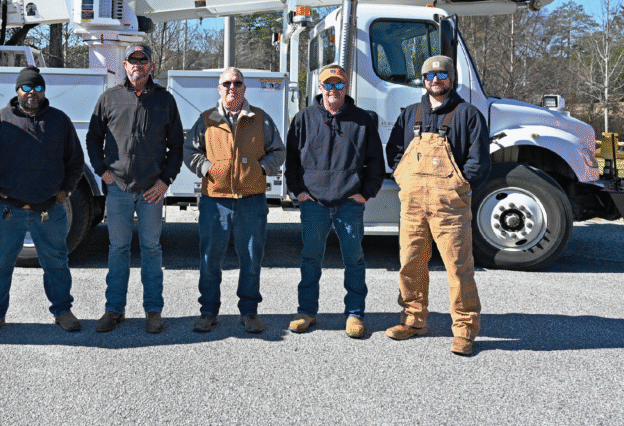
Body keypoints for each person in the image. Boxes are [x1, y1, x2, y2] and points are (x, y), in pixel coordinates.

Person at [384, 55, 490, 356]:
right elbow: (394, 151)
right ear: (423, 80)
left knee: (458, 268)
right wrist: (403, 176)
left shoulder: (468, 114)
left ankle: (465, 330)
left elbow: (479, 161)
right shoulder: (411, 113)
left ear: (451, 78)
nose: (435, 81)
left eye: (441, 75)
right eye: (429, 76)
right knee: (410, 264)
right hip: (413, 203)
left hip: (450, 204)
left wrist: (459, 186)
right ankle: (414, 321)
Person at [0, 67, 85, 337]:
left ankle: (62, 311)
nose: (32, 93)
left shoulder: (59, 121)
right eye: (26, 88)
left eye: (37, 88)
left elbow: (75, 162)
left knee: (56, 262)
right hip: (7, 210)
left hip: (49, 210)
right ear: (17, 91)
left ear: (44, 91)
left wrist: (65, 191)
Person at [86, 44, 183, 334]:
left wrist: (165, 181)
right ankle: (114, 309)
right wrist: (102, 170)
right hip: (118, 190)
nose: (138, 65)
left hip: (151, 191)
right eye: (132, 60)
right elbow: (93, 138)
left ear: (151, 66)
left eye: (143, 60)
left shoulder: (165, 100)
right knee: (118, 249)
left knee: (152, 249)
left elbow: (176, 146)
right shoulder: (109, 99)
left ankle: (153, 311)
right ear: (125, 66)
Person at [285, 64, 385, 337]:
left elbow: (377, 163)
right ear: (320, 88)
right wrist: (298, 191)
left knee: (354, 260)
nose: (333, 90)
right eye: (328, 85)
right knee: (310, 259)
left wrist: (365, 192)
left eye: (339, 84)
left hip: (349, 204)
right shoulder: (304, 118)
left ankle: (354, 314)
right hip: (313, 203)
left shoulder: (362, 121)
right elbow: (291, 159)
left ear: (347, 87)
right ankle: (306, 311)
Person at [184, 67, 286, 334]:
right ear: (219, 89)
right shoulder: (206, 120)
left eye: (237, 83)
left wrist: (260, 170)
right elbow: (190, 150)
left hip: (251, 200)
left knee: (252, 258)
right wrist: (208, 169)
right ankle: (208, 312)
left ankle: (249, 312)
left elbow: (278, 150)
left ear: (244, 88)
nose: (232, 87)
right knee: (209, 258)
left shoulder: (260, 120)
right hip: (214, 200)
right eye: (226, 83)